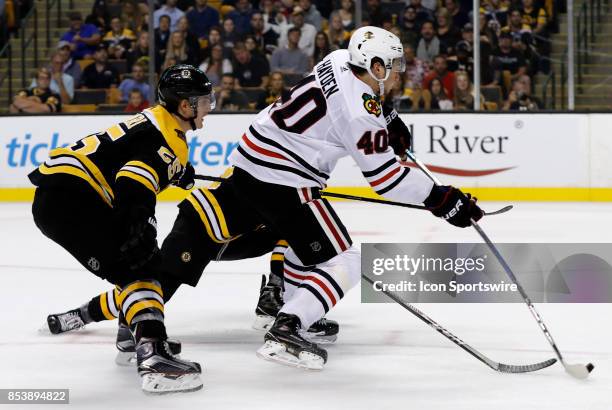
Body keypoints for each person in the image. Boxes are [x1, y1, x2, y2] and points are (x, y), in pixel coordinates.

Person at [226, 26, 484, 369]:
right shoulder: (360, 114)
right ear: (375, 67)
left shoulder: (338, 59)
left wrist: (388, 118)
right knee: (348, 260)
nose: (399, 74)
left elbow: (352, 100)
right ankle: (287, 327)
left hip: (253, 161)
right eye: (393, 66)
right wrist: (440, 198)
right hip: (281, 177)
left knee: (303, 245)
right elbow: (386, 179)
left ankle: (297, 308)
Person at [29, 65, 215, 394]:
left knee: (136, 268)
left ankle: (129, 337)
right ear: (184, 105)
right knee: (143, 268)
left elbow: (131, 159)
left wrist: (174, 173)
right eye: (203, 101)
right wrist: (140, 224)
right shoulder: (168, 137)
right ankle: (153, 355)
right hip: (74, 197)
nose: (208, 108)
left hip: (61, 194)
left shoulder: (155, 121)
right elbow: (133, 179)